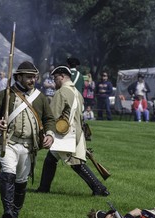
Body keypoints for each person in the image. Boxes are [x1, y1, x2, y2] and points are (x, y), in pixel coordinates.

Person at [0, 61, 56, 218]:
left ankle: (15, 211)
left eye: (34, 77)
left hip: (28, 146)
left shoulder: (40, 97)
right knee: (7, 174)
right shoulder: (6, 94)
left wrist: (50, 134)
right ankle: (8, 211)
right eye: (29, 77)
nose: (32, 80)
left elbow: (49, 119)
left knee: (21, 181)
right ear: (19, 76)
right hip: (8, 142)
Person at [36, 66, 109, 196]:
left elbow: (52, 115)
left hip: (66, 134)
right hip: (76, 132)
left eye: (56, 78)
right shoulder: (77, 92)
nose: (54, 81)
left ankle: (99, 188)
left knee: (76, 163)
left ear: (62, 76)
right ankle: (43, 188)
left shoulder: (62, 92)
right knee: (51, 159)